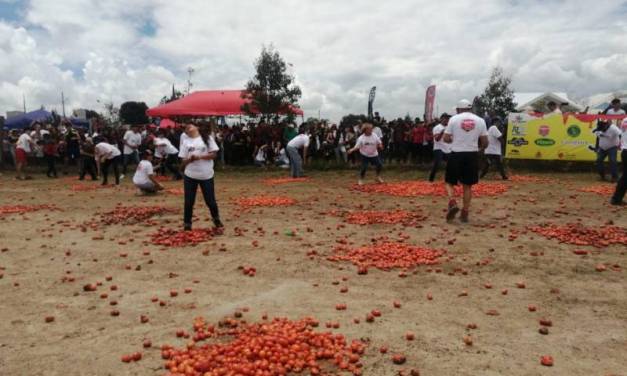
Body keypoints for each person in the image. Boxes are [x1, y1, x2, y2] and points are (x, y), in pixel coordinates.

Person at [443, 99, 489, 223]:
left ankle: (452, 202)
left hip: (456, 153)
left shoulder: (454, 119)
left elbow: (446, 138)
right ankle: (465, 212)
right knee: (467, 185)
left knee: (449, 181)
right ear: (470, 108)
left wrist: (454, 141)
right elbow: (485, 142)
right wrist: (479, 149)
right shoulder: (480, 121)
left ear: (458, 109)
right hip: (472, 155)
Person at [178, 123, 223, 231]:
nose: (188, 127)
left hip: (206, 175)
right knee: (189, 201)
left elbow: (214, 155)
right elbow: (182, 161)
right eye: (186, 128)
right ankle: (187, 223)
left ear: (197, 127)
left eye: (190, 125)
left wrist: (200, 157)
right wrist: (190, 159)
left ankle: (216, 219)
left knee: (210, 201)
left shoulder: (207, 138)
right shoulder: (186, 142)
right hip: (190, 175)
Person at [428, 113, 451, 182]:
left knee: (450, 164)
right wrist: (442, 132)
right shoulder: (437, 127)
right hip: (438, 148)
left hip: (448, 149)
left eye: (448, 118)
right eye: (445, 118)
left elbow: (451, 138)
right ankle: (431, 179)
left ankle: (448, 179)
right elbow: (437, 139)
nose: (447, 120)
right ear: (441, 119)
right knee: (437, 164)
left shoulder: (449, 127)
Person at [610, 117, 627, 205]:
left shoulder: (624, 120)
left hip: (625, 151)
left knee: (625, 176)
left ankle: (616, 198)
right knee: (625, 177)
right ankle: (616, 198)